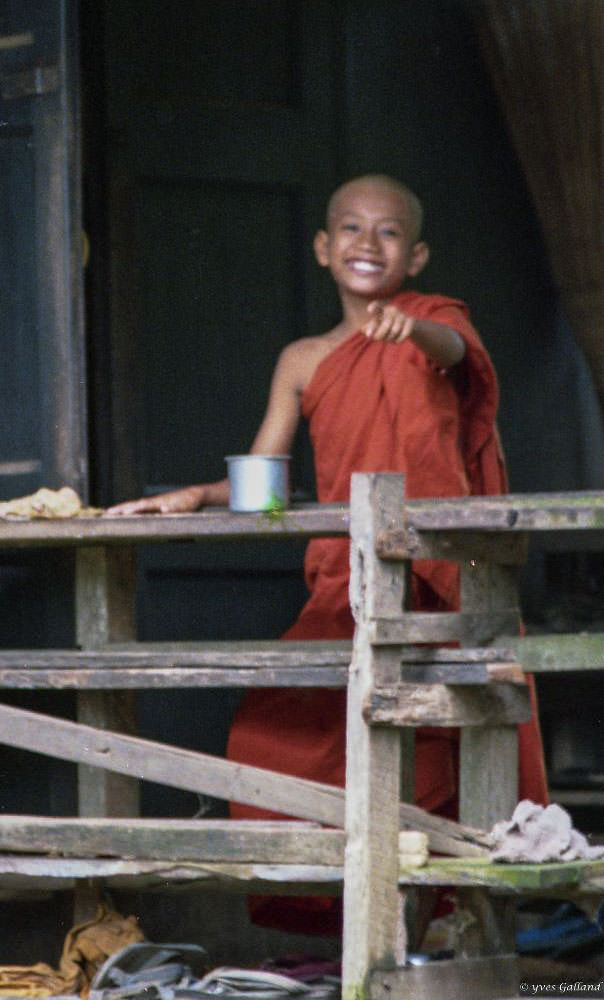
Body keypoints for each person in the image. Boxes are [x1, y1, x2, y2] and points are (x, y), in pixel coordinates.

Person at [108, 174, 548, 934]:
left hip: (440, 578)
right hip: (345, 583)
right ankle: (355, 929)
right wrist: (193, 496)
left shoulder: (431, 327)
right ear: (322, 247)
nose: (366, 244)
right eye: (351, 228)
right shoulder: (305, 359)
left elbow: (459, 352)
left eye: (387, 233)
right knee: (273, 735)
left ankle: (445, 922)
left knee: (440, 739)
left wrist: (411, 333)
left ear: (416, 256)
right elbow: (263, 483)